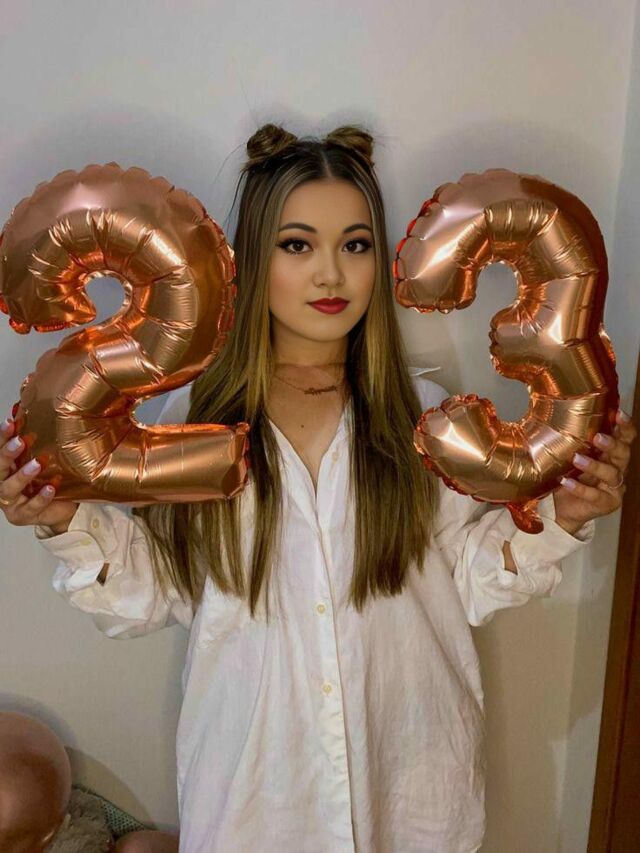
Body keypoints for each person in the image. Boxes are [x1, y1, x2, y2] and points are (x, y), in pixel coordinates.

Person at [0, 124, 635, 852]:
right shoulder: (191, 424)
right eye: (297, 245)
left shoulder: (424, 418)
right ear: (252, 257)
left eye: (355, 245)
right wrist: (65, 520)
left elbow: (463, 583)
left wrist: (563, 514)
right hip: (258, 802)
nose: (331, 274)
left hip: (411, 788)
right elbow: (155, 593)